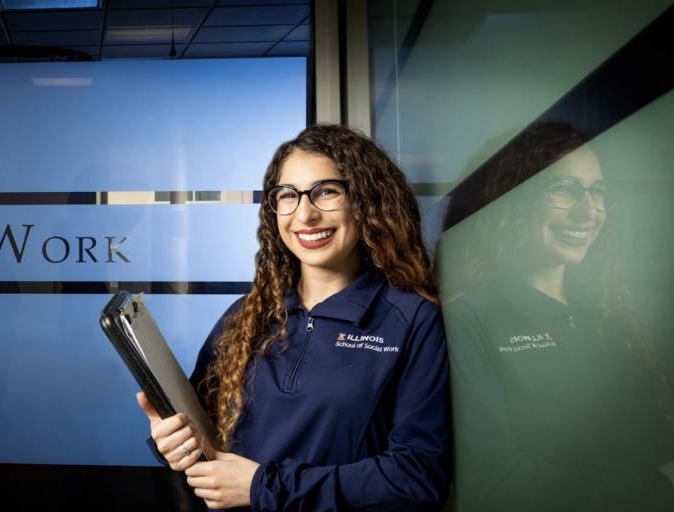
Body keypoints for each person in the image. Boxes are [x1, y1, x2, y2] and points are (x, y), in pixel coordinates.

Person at [136, 124, 451, 510]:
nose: (306, 213)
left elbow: (417, 477)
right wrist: (171, 442)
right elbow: (203, 436)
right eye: (288, 195)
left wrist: (263, 487)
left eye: (327, 191)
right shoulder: (246, 315)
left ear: (366, 201)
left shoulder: (411, 319)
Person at [438, 121, 674, 511]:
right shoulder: (468, 317)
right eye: (564, 189)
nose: (589, 211)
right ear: (511, 197)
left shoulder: (607, 309)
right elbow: (494, 481)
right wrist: (655, 488)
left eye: (598, 192)